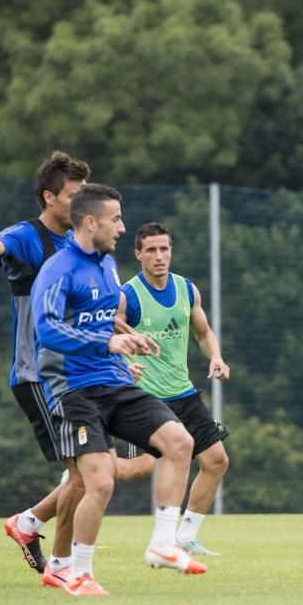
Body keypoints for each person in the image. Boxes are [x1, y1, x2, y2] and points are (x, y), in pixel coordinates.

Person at [0, 152, 153, 587]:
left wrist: (118, 354)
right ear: (50, 197)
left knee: (90, 473)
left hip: (81, 373)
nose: (81, 204)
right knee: (87, 474)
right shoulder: (28, 237)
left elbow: (92, 314)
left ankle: (39, 536)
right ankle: (48, 549)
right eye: (73, 196)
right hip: (39, 374)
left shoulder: (88, 252)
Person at [32, 183, 206, 596]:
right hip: (73, 389)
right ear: (90, 222)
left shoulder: (107, 265)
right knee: (102, 482)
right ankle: (78, 573)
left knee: (180, 442)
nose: (122, 228)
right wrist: (107, 343)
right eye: (116, 220)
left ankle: (163, 545)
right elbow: (46, 328)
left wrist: (129, 338)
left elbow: (103, 319)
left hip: (114, 380)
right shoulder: (59, 269)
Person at [119, 222, 230, 556]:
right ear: (138, 254)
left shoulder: (186, 289)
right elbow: (109, 341)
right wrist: (126, 367)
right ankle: (80, 475)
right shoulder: (128, 296)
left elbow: (203, 332)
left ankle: (185, 538)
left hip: (183, 393)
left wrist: (216, 357)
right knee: (136, 469)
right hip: (144, 398)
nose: (159, 256)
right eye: (151, 250)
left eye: (164, 249)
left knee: (216, 460)